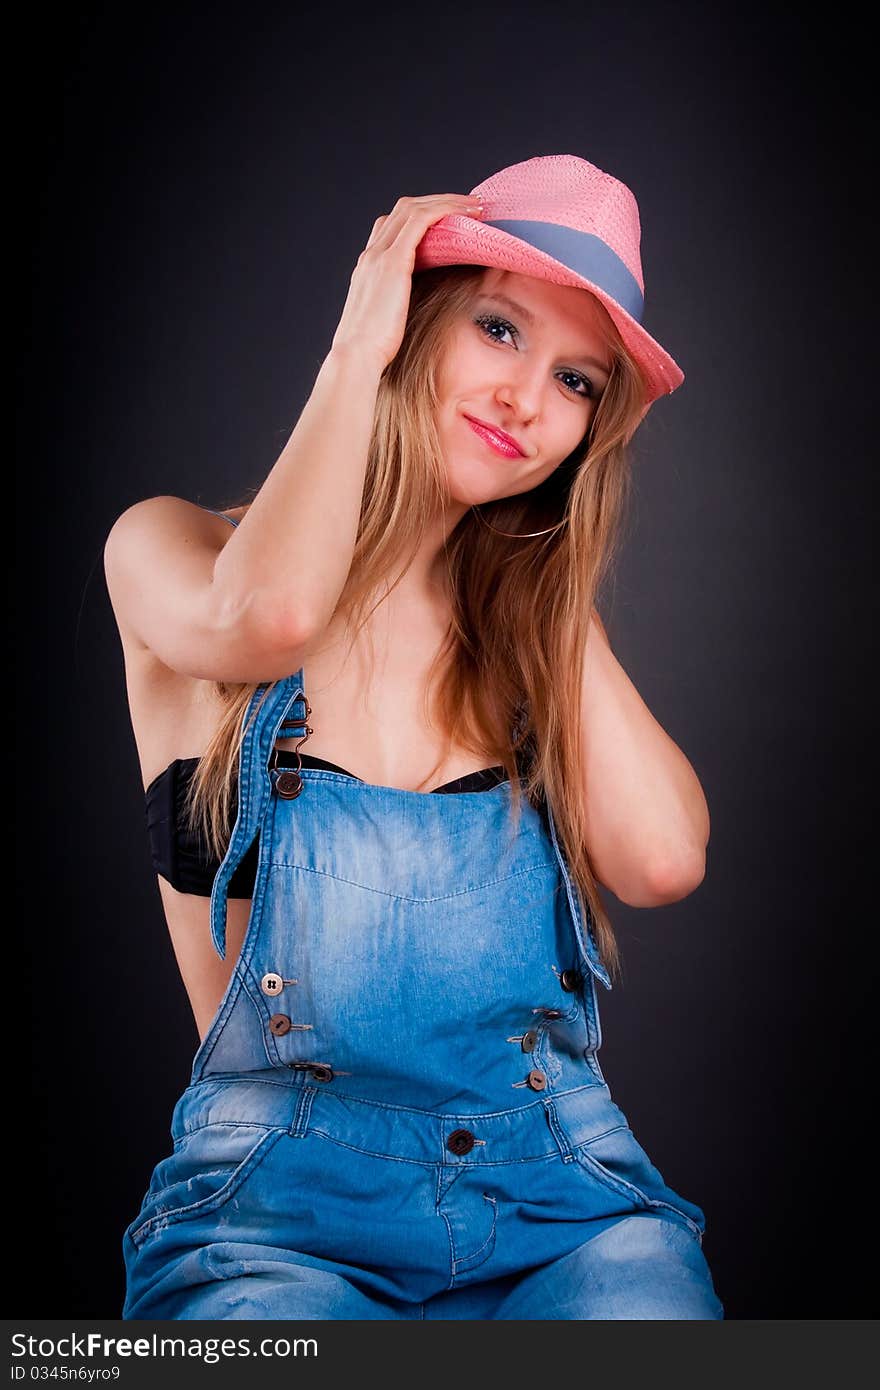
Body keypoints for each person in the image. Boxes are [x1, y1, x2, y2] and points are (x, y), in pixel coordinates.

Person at [105, 153, 724, 1320]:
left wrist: (551, 574)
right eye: (496, 329)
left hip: (560, 1205)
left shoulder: (529, 646)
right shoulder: (172, 552)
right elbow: (271, 618)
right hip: (272, 1220)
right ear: (409, 317)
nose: (526, 402)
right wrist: (355, 355)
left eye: (578, 384)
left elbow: (661, 859)